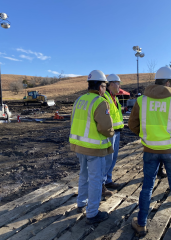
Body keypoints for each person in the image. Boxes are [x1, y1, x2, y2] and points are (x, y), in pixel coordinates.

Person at [128, 66, 171, 237]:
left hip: (149, 150)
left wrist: (147, 136)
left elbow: (132, 125)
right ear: (169, 82)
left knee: (147, 187)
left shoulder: (141, 101)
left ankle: (141, 224)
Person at [69, 70, 115, 225]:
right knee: (95, 180)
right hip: (95, 148)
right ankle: (92, 213)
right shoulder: (100, 102)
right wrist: (111, 132)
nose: (105, 89)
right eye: (105, 86)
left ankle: (81, 203)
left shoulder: (79, 100)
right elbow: (105, 127)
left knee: (83, 175)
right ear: (100, 86)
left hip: (79, 146)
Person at [103, 74, 124, 190]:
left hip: (117, 132)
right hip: (109, 133)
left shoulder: (115, 97)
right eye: (118, 83)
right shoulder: (105, 97)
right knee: (108, 158)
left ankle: (108, 180)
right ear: (111, 84)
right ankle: (103, 182)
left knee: (113, 157)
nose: (119, 86)